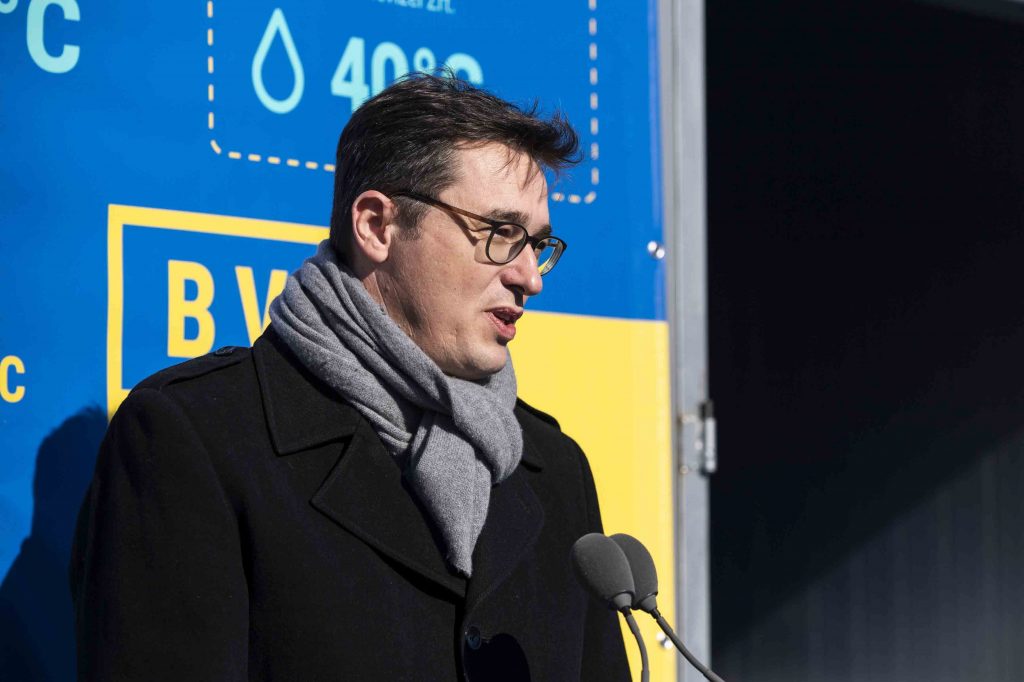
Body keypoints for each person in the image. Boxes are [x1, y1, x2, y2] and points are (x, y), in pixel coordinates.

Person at [70, 74, 630, 681]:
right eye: (500, 233)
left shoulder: (555, 471)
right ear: (376, 226)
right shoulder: (197, 437)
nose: (530, 277)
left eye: (538, 244)